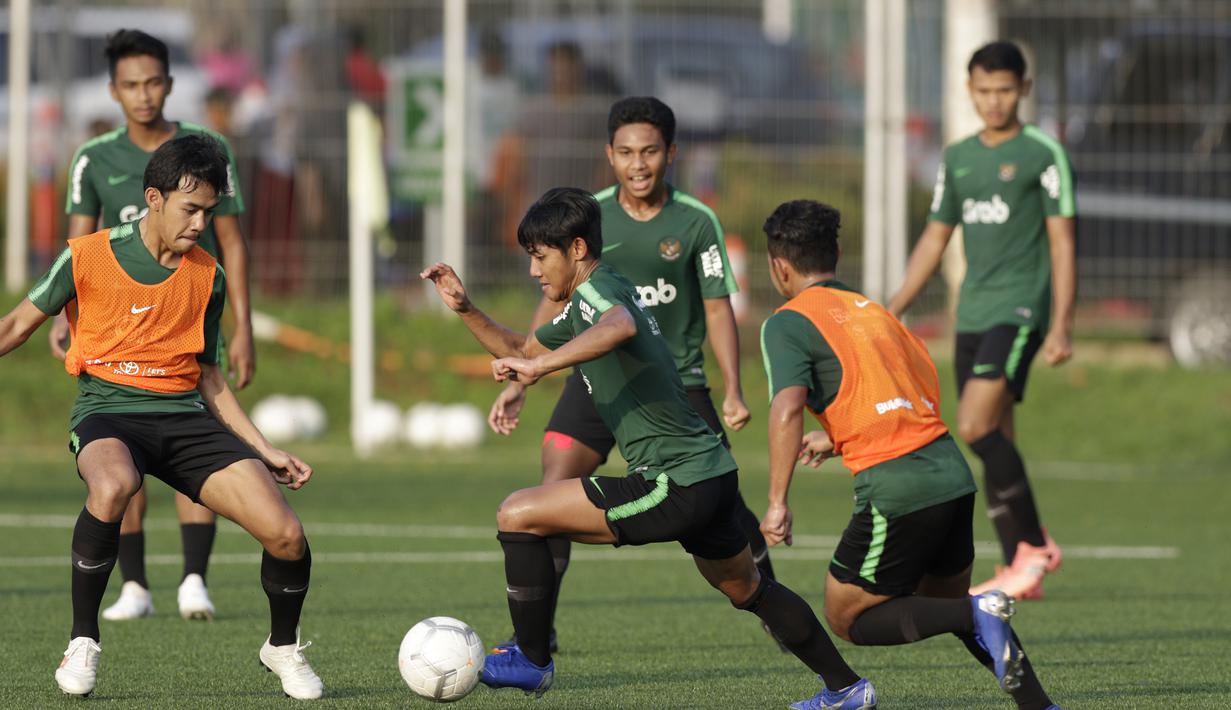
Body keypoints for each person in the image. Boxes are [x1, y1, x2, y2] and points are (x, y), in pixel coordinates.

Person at [421, 188, 874, 707]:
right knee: (747, 589)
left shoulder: (597, 297)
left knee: (518, 513)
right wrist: (466, 308)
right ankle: (848, 688)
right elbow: (523, 347)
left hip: (673, 481)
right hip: (711, 473)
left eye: (539, 257)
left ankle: (532, 659)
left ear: (575, 249)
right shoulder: (592, 296)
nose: (533, 272)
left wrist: (541, 368)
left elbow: (619, 326)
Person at [0, 135, 322, 699]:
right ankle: (82, 641)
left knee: (288, 535)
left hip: (184, 420)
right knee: (115, 484)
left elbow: (209, 376)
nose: (200, 223)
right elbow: (13, 327)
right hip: (108, 411)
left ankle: (283, 648)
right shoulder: (86, 256)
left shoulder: (209, 277)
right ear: (154, 197)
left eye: (209, 212)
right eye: (189, 209)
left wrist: (264, 448)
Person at [488, 96, 778, 652]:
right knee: (552, 489)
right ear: (609, 155)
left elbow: (717, 306)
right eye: (625, 153)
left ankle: (768, 595)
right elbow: (554, 305)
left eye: (649, 152)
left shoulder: (696, 220)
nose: (638, 164)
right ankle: (536, 633)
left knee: (722, 502)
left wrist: (735, 389)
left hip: (676, 384)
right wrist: (519, 379)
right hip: (593, 377)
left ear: (671, 153)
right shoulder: (588, 217)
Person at [758, 199, 1062, 710]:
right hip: (950, 472)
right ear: (836, 252)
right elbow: (912, 393)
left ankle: (858, 689)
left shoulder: (787, 322)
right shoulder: (875, 312)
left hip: (897, 487)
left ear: (778, 266)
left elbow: (787, 407)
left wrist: (776, 502)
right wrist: (836, 437)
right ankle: (1039, 705)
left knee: (846, 614)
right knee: (946, 605)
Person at [50, 29, 257, 622]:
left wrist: (242, 325)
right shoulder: (94, 157)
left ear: (169, 82)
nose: (144, 95)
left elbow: (233, 242)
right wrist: (62, 321)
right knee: (122, 442)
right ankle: (135, 585)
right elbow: (78, 246)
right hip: (114, 334)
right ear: (114, 90)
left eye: (154, 82)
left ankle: (195, 578)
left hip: (193, 323)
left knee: (199, 439)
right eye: (131, 84)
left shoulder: (207, 146)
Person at [887, 40, 1075, 598]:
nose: (994, 102)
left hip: (1019, 309)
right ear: (969, 90)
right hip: (972, 311)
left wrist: (1062, 321)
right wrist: (893, 307)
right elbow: (935, 236)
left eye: (1005, 90)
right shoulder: (959, 157)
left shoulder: (1043, 153)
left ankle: (1033, 550)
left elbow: (1063, 242)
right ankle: (1023, 562)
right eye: (984, 91)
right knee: (996, 434)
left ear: (1024, 90)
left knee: (973, 424)